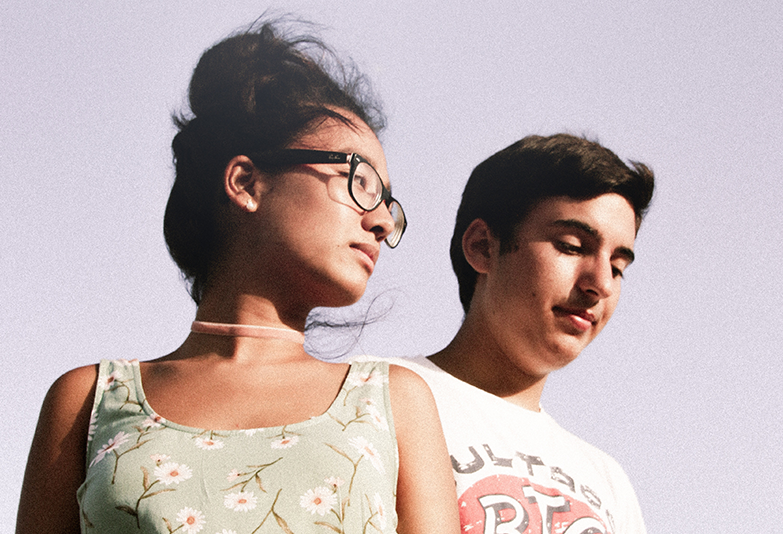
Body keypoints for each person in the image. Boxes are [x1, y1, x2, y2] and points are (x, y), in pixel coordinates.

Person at [16, 20, 459, 534]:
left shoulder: (394, 400)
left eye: (388, 202)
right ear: (246, 182)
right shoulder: (87, 401)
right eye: (360, 181)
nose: (382, 221)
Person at [390, 134, 654, 533]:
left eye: (618, 267)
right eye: (571, 246)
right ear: (482, 247)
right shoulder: (368, 394)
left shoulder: (609, 482)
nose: (600, 282)